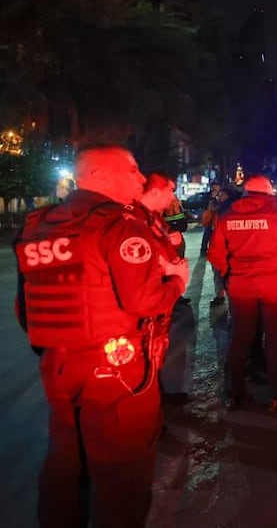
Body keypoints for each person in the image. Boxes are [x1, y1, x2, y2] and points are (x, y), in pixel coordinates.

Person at [13, 145, 189, 527]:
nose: (141, 178)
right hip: (116, 369)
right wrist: (177, 282)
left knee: (65, 461)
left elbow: (25, 309)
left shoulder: (38, 225)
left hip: (58, 363)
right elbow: (144, 301)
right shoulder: (119, 224)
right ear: (99, 176)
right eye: (132, 169)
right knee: (122, 474)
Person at [207, 174, 277, 412]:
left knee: (240, 337)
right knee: (276, 338)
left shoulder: (228, 215)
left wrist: (230, 274)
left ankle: (235, 393)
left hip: (241, 286)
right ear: (267, 190)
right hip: (274, 285)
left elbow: (215, 253)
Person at [139, 171, 197, 402]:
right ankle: (159, 395)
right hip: (157, 295)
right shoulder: (135, 219)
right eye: (170, 191)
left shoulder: (152, 217)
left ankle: (165, 391)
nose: (173, 197)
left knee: (167, 343)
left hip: (166, 292)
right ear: (155, 191)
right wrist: (170, 269)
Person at [199, 180, 222, 256]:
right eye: (214, 186)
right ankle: (204, 250)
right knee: (207, 233)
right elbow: (206, 205)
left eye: (217, 186)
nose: (216, 188)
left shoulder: (221, 194)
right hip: (210, 218)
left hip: (218, 218)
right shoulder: (208, 196)